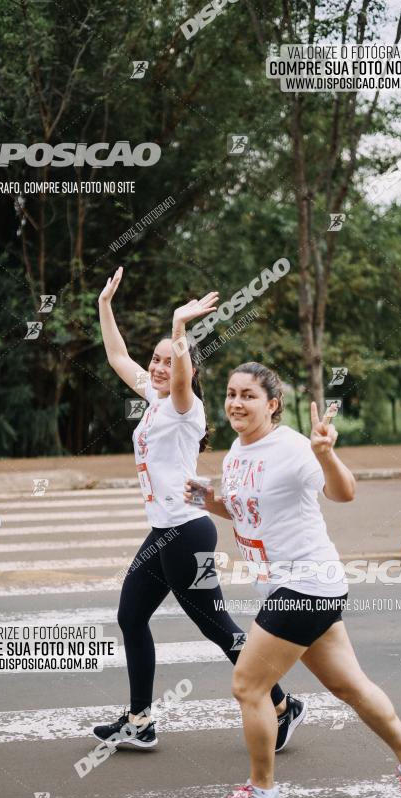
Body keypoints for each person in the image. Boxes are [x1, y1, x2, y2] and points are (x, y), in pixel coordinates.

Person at [192, 362, 401, 798]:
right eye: (231, 394)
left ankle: (262, 794)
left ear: (272, 405)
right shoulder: (235, 452)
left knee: (249, 685)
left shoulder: (293, 448)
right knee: (349, 685)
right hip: (297, 585)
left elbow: (344, 492)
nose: (236, 403)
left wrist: (327, 454)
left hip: (304, 585)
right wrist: (206, 499)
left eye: (248, 395)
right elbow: (243, 511)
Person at [93, 270, 306, 751]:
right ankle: (140, 720)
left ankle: (281, 704)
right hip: (164, 532)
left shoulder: (186, 409)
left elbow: (182, 373)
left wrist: (178, 331)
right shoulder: (153, 399)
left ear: (185, 371)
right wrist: (105, 304)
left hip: (188, 534)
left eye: (169, 362)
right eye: (157, 360)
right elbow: (117, 356)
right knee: (131, 615)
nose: (161, 367)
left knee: (218, 628)